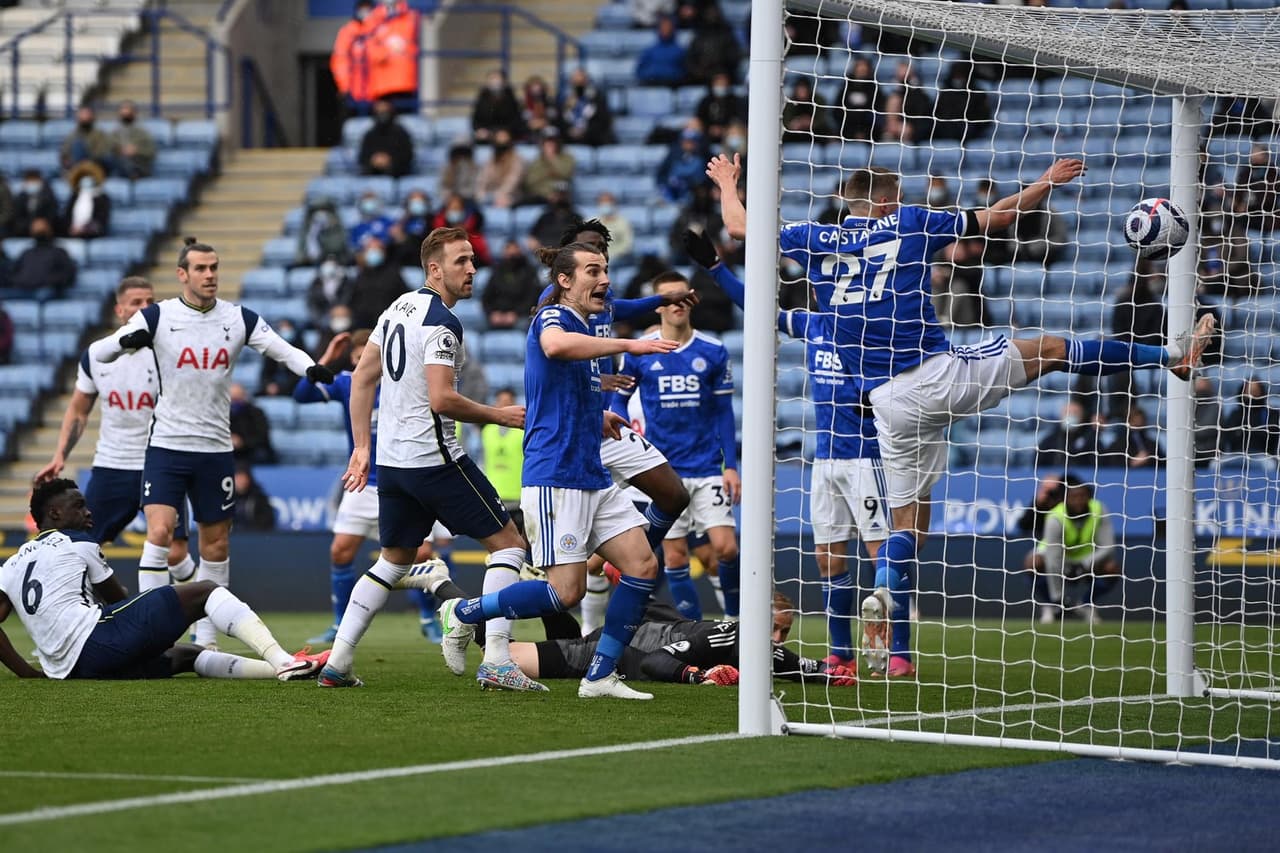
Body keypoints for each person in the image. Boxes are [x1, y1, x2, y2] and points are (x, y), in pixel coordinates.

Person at [709, 152, 1216, 679]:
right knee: (1052, 349)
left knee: (909, 524)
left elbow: (738, 224)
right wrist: (1045, 180)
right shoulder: (908, 222)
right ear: (887, 200)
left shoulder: (814, 237)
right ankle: (1171, 358)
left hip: (887, 407)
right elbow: (997, 217)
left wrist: (728, 180)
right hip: (935, 374)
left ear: (848, 203)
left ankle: (884, 594)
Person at [437, 241, 680, 700]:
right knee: (564, 592)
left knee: (642, 565)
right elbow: (554, 346)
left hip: (591, 473)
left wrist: (599, 411)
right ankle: (465, 612)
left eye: (606, 269)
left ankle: (600, 675)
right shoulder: (555, 316)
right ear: (565, 281)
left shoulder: (587, 326)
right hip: (556, 477)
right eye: (593, 270)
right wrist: (630, 343)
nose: (604, 278)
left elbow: (567, 387)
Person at [318, 227, 534, 691]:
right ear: (435, 268)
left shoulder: (398, 306)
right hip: (434, 458)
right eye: (461, 261)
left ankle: (338, 662)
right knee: (510, 545)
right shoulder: (442, 322)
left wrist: (362, 448)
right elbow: (442, 399)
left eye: (473, 260)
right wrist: (500, 415)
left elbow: (360, 379)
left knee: (392, 561)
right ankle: (496, 659)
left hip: (393, 465)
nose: (472, 268)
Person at [88, 238, 332, 648]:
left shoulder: (238, 319)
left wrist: (312, 368)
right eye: (201, 269)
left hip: (215, 451)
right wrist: (122, 342)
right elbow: (99, 352)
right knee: (161, 534)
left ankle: (206, 637)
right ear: (182, 274)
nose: (210, 275)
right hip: (166, 446)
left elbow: (281, 350)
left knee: (215, 543)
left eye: (214, 268)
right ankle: (154, 636)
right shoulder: (157, 316)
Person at [684, 228, 886, 670]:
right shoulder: (812, 324)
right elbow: (757, 306)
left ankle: (897, 652)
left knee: (879, 551)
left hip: (868, 455)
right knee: (826, 554)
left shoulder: (874, 331)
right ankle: (842, 653)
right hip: (825, 458)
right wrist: (716, 267)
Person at [0, 479, 327, 681]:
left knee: (185, 655)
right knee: (207, 591)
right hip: (100, 640)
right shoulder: (77, 542)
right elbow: (115, 598)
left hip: (73, 669)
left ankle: (289, 670)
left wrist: (25, 671)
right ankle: (283, 660)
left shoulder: (12, 563)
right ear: (54, 514)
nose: (89, 513)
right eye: (80, 506)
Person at [542, 220, 700, 632]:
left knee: (672, 494)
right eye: (590, 253)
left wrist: (666, 298)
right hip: (574, 428)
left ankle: (627, 557)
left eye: (603, 253)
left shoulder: (604, 300)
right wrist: (611, 365)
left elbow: (627, 308)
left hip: (603, 419)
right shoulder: (553, 306)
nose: (601, 262)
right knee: (567, 585)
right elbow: (552, 350)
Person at [295, 330, 471, 645]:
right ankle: (339, 624)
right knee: (340, 551)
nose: (365, 359)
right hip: (364, 483)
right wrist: (326, 360)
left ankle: (430, 619)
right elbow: (301, 394)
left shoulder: (400, 381)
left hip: (403, 481)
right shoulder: (349, 383)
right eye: (359, 354)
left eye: (370, 352)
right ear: (353, 358)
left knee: (423, 555)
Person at [34, 277, 195, 583]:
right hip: (112, 466)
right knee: (82, 548)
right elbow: (79, 411)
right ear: (119, 310)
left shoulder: (168, 353)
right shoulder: (96, 355)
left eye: (150, 302)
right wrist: (59, 456)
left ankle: (200, 620)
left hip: (159, 463)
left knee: (174, 552)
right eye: (136, 303)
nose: (144, 308)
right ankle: (88, 619)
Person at [611, 270, 740, 621]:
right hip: (664, 471)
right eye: (667, 298)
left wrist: (731, 465)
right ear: (657, 307)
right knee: (676, 557)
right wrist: (624, 432)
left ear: (691, 299)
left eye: (682, 296)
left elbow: (724, 411)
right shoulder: (641, 351)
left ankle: (734, 623)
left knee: (726, 548)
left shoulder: (713, 350)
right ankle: (692, 630)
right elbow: (620, 400)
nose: (676, 305)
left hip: (706, 466)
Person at [509, 592, 855, 686]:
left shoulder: (759, 647)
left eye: (784, 632)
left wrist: (826, 670)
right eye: (772, 628)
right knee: (510, 659)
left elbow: (793, 664)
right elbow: (653, 662)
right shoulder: (729, 636)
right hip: (616, 651)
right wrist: (700, 676)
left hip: (647, 633)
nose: (777, 638)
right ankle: (461, 610)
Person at [1026, 476, 1120, 624]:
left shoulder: (1099, 509)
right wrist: (1058, 597)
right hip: (1055, 557)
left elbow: (1108, 546)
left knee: (1112, 568)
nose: (1078, 500)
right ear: (1065, 499)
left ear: (1089, 497)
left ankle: (1086, 604)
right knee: (1032, 563)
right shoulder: (1055, 517)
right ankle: (1053, 604)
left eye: (1082, 496)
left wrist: (1085, 563)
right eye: (1073, 497)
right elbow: (1053, 557)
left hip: (1087, 558)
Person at [364, 0, 421, 108]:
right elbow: (371, 50)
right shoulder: (372, 19)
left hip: (406, 81)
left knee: (406, 120)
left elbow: (415, 46)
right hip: (382, 85)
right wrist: (388, 50)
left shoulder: (413, 16)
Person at [480, 387, 524, 519]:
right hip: (494, 495)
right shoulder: (487, 430)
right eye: (501, 401)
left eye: (508, 402)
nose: (504, 405)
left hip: (518, 495)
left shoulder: (524, 430)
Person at [347, 237, 407, 328]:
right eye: (371, 249)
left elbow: (404, 296)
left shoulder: (393, 272)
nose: (374, 252)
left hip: (388, 322)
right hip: (362, 322)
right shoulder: (360, 274)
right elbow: (351, 298)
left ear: (384, 252)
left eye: (377, 249)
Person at [481, 240, 541, 329]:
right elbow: (486, 297)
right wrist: (492, 313)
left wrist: (516, 314)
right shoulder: (497, 270)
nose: (511, 253)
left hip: (521, 315)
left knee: (524, 325)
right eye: (508, 249)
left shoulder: (529, 271)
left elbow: (531, 298)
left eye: (514, 249)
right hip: (497, 314)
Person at [11, 218, 76, 297]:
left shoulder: (59, 252)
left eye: (41, 230)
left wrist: (48, 282)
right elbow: (13, 275)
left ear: (50, 231)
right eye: (36, 230)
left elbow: (68, 275)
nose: (38, 232)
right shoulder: (26, 253)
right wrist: (24, 281)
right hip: (24, 291)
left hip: (49, 293)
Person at [331, 0, 376, 113]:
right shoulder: (348, 32)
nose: (365, 11)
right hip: (354, 91)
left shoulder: (379, 29)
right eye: (362, 8)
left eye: (368, 8)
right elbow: (340, 61)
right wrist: (344, 86)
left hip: (378, 92)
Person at [684, 2, 741, 85]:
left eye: (714, 13)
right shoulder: (699, 36)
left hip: (723, 77)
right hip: (700, 77)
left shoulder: (726, 35)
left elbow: (733, 58)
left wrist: (723, 72)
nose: (712, 16)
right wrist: (698, 72)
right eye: (709, 13)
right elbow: (690, 59)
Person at [1221, 378, 1280, 458]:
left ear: (1261, 391)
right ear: (1243, 392)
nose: (1252, 393)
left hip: (1264, 457)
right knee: (1215, 464)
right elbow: (1230, 436)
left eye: (1255, 390)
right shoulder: (1236, 414)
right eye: (1249, 390)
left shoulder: (1271, 413)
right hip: (1237, 455)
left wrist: (1244, 432)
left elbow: (1270, 437)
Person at [430, 193, 490, 266]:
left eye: (457, 208)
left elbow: (482, 254)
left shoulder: (473, 233)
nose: (454, 211)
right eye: (451, 208)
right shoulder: (437, 233)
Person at [558, 67, 614, 147]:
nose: (578, 83)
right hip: (569, 139)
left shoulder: (596, 98)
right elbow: (561, 120)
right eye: (575, 80)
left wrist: (584, 131)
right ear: (571, 81)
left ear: (587, 80)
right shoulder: (565, 99)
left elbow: (602, 120)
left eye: (581, 80)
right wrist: (570, 130)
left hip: (592, 140)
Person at [358, 98, 414, 177]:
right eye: (379, 111)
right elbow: (362, 157)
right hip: (372, 174)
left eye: (385, 111)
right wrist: (373, 160)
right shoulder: (370, 134)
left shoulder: (401, 133)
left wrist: (390, 160)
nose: (382, 114)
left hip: (396, 174)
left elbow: (408, 156)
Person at [520, 130, 575, 206]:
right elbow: (530, 182)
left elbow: (565, 174)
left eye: (553, 142)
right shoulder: (537, 161)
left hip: (561, 194)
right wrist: (548, 174)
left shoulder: (568, 158)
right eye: (547, 142)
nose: (550, 145)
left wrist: (552, 159)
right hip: (540, 195)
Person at [657, 126, 710, 205]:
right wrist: (667, 184)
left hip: (695, 195)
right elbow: (661, 175)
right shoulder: (673, 155)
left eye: (692, 141)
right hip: (674, 192)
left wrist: (691, 184)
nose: (688, 144)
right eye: (686, 141)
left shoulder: (704, 156)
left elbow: (706, 179)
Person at [60, 161, 111, 240]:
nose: (86, 179)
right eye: (83, 177)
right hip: (73, 234)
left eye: (89, 177)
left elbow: (102, 219)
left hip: (93, 236)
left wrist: (86, 228)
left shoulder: (102, 197)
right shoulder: (74, 196)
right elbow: (67, 216)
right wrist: (71, 228)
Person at [470, 69, 523, 144]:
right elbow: (475, 119)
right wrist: (479, 130)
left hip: (507, 133)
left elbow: (516, 120)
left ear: (503, 81)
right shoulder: (482, 98)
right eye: (491, 78)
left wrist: (505, 131)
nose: (494, 81)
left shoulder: (511, 98)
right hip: (487, 133)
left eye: (497, 78)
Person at [476, 128, 525, 208]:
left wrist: (498, 195)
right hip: (491, 196)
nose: (502, 148)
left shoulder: (517, 160)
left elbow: (512, 182)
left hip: (512, 196)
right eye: (499, 143)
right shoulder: (491, 160)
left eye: (504, 144)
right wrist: (481, 194)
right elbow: (482, 180)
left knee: (503, 202)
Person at [295, 197, 351, 267]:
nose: (320, 215)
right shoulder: (307, 231)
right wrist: (313, 234)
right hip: (313, 265)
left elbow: (336, 247)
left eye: (324, 211)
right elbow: (300, 256)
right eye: (316, 212)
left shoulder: (338, 229)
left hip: (336, 263)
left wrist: (328, 230)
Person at [229, 383, 276, 464]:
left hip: (251, 450)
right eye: (232, 399)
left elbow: (263, 437)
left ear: (244, 396)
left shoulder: (257, 413)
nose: (235, 403)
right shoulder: (221, 415)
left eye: (237, 399)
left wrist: (242, 442)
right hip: (229, 449)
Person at [634, 15, 687, 87]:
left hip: (673, 85)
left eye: (668, 27)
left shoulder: (680, 51)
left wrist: (671, 75)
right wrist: (651, 75)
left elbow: (684, 72)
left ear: (673, 29)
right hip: (651, 85)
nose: (665, 30)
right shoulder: (649, 51)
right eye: (663, 27)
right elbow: (639, 71)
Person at [837, 56, 881, 142]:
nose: (862, 69)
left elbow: (878, 110)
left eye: (864, 67)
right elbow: (838, 110)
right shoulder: (845, 87)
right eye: (859, 66)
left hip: (869, 131)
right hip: (847, 129)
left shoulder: (874, 88)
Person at [109, 100, 156, 179]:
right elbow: (109, 149)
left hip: (139, 164)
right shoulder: (114, 133)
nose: (125, 113)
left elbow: (151, 151)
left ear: (134, 113)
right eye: (123, 110)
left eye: (128, 110)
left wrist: (136, 150)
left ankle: (133, 173)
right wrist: (120, 150)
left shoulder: (143, 132)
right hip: (120, 165)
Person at [59, 105, 112, 175]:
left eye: (87, 114)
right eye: (82, 114)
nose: (85, 117)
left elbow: (101, 154)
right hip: (75, 168)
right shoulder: (72, 135)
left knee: (78, 145)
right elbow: (64, 153)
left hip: (94, 167)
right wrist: (67, 161)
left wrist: (87, 159)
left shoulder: (100, 134)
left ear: (92, 116)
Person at [695, 73, 745, 145]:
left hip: (728, 131)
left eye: (723, 84)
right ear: (713, 84)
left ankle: (732, 155)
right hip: (708, 131)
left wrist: (725, 129)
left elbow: (738, 119)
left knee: (736, 131)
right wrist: (708, 128)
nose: (721, 86)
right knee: (694, 125)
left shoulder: (734, 100)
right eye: (719, 84)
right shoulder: (706, 100)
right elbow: (699, 118)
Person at [307, 254, 355, 327]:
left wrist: (343, 309)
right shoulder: (316, 283)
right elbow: (312, 304)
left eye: (332, 264)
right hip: (325, 320)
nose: (329, 266)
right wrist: (328, 315)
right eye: (326, 263)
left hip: (346, 317)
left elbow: (351, 298)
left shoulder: (346, 282)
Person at [11, 169, 58, 238]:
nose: (32, 184)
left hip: (44, 231)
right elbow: (17, 216)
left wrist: (42, 224)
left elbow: (52, 214)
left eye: (34, 181)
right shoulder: (21, 197)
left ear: (40, 181)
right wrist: (30, 225)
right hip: (24, 231)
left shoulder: (49, 195)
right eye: (29, 181)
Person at [231, 464, 276, 531]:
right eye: (237, 478)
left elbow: (267, 521)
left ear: (249, 479)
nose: (241, 481)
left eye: (243, 477)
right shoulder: (225, 499)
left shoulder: (259, 498)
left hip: (253, 536)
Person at [594, 192, 634, 260]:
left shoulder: (623, 223)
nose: (605, 204)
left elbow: (628, 245)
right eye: (602, 202)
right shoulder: (591, 222)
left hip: (617, 259)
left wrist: (610, 254)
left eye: (608, 202)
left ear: (614, 204)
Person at [518, 75, 558, 142]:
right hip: (527, 139)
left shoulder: (551, 103)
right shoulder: (522, 105)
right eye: (533, 86)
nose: (536, 89)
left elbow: (556, 119)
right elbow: (518, 123)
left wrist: (545, 122)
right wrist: (529, 124)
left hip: (547, 139)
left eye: (538, 86)